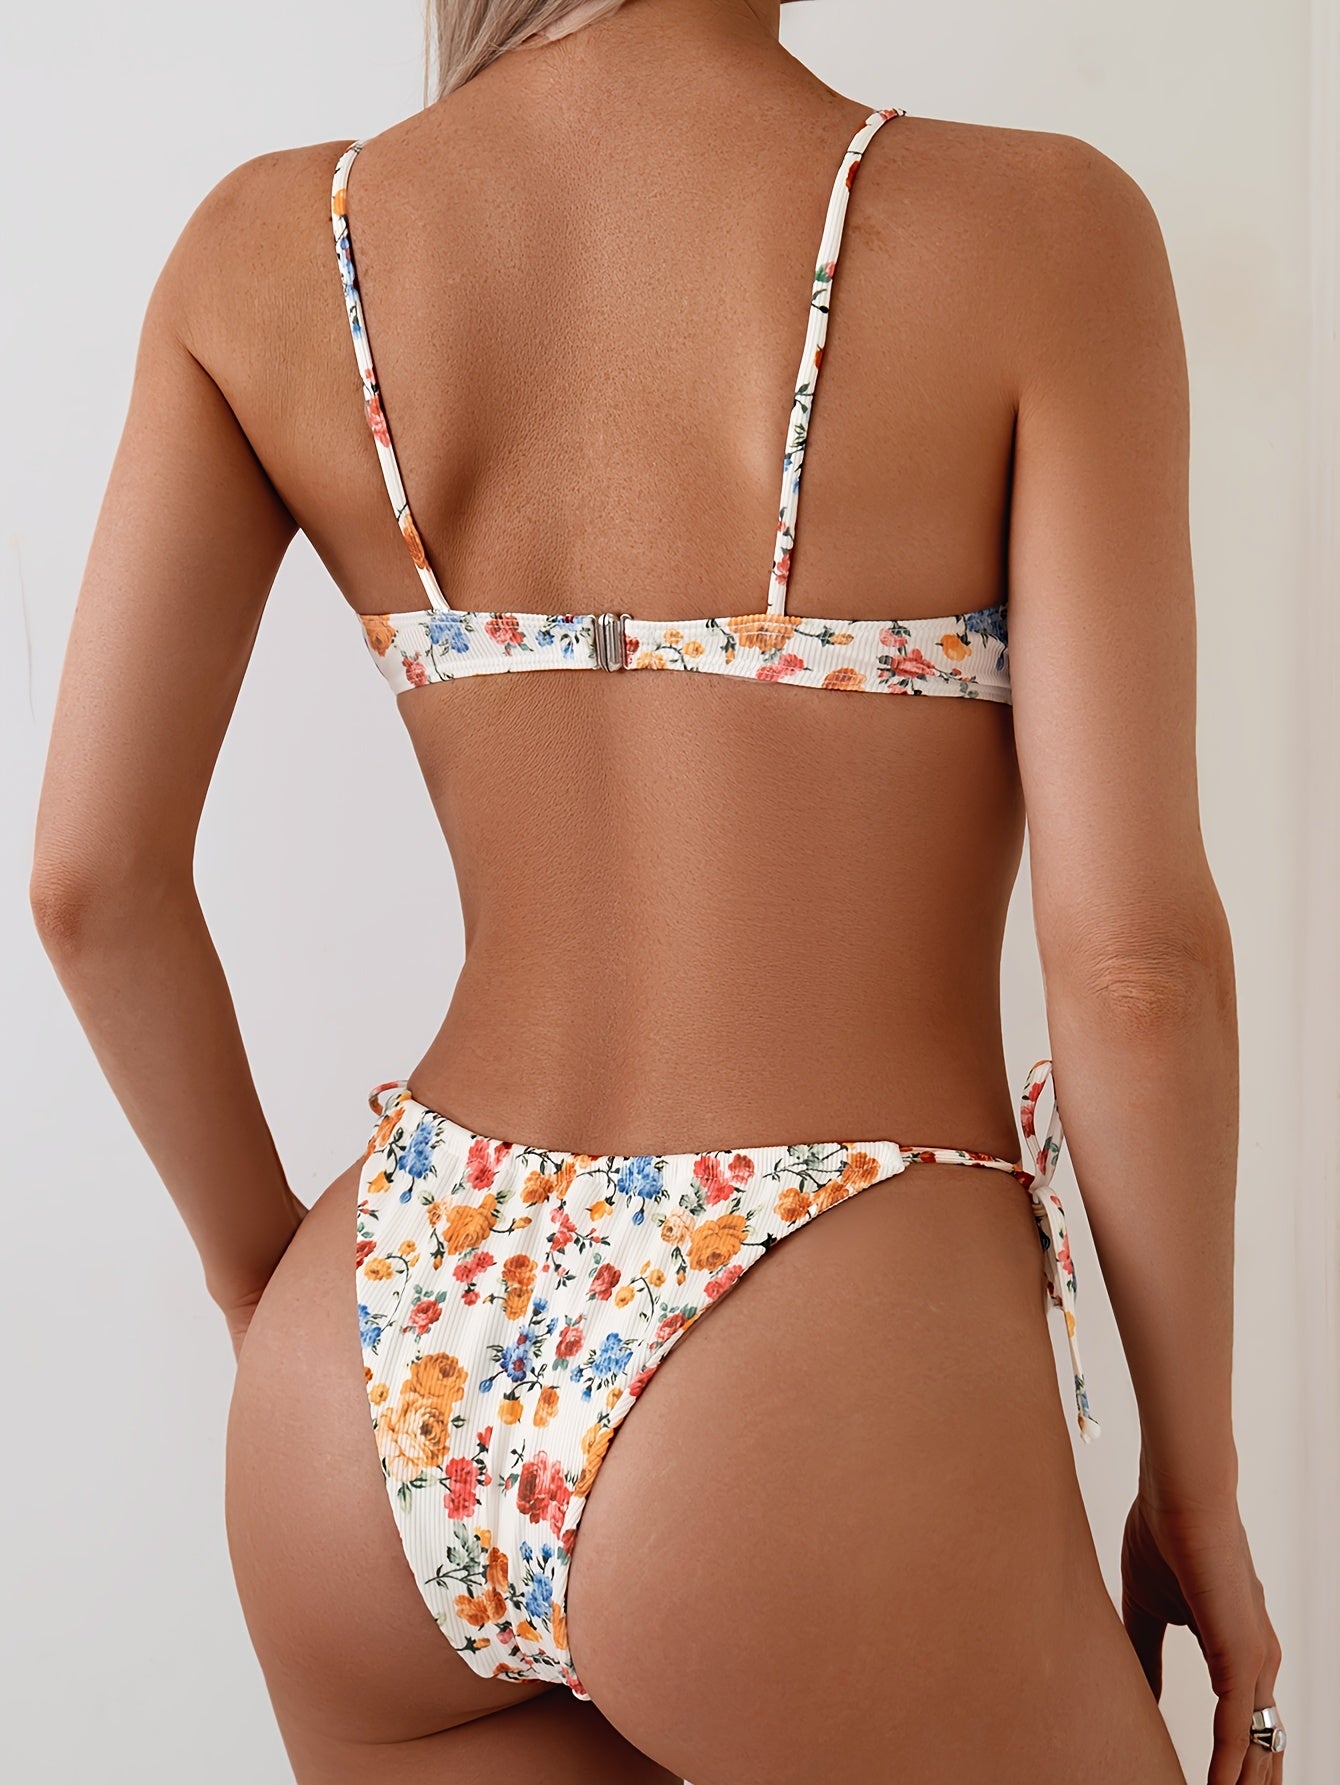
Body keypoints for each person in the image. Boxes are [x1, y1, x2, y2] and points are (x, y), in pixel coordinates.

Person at [29, 1, 1285, 1780]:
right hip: (809, 1348)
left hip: (397, 1326)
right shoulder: (1038, 234)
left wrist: (280, 1307)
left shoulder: (269, 249)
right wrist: (1196, 1485)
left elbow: (89, 884)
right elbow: (1135, 973)